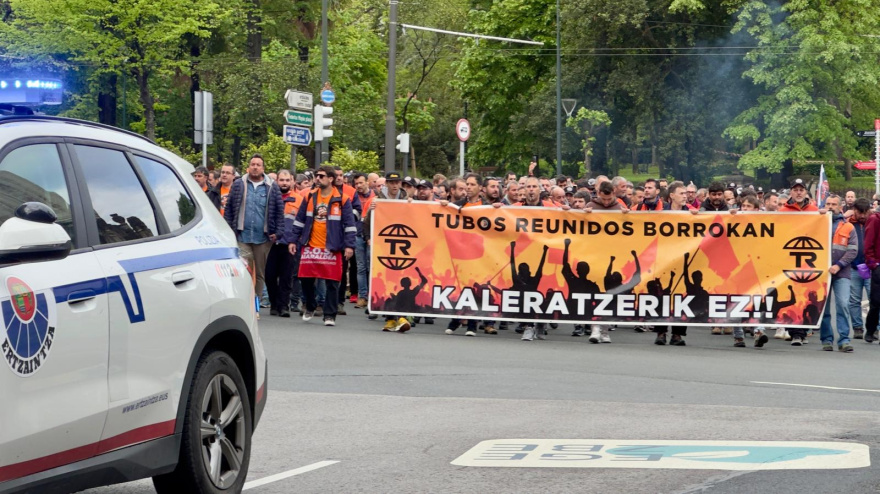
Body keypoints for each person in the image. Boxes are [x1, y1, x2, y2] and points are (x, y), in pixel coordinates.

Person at [286, 165, 356, 326]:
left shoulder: (342, 199)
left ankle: (329, 315)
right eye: (317, 175)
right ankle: (310, 306)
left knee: (332, 281)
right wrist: (292, 240)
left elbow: (349, 224)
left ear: (330, 179)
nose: (317, 178)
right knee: (305, 279)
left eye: (321, 176)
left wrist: (349, 246)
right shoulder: (309, 196)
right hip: (310, 245)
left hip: (332, 247)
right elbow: (299, 219)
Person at [224, 154, 285, 314]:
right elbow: (230, 208)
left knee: (259, 273)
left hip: (263, 237)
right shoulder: (239, 184)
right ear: (248, 167)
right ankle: (242, 304)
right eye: (253, 164)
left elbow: (279, 211)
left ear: (263, 168)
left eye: (258, 164)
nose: (255, 167)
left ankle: (254, 306)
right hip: (242, 236)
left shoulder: (272, 186)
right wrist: (230, 230)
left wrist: (277, 232)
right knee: (244, 271)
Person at [778, 178, 822, 346]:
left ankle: (802, 330)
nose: (798, 192)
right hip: (789, 258)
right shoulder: (783, 211)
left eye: (801, 190)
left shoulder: (815, 210)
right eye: (795, 189)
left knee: (807, 295)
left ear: (805, 192)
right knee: (792, 295)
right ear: (791, 192)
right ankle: (795, 332)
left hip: (809, 260)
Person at [819, 195, 856, 352]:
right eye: (828, 204)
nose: (830, 206)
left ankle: (844, 339)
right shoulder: (817, 224)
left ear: (840, 207)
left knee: (843, 304)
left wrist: (838, 265)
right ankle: (826, 340)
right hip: (822, 273)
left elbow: (853, 250)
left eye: (833, 204)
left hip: (841, 272)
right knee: (824, 309)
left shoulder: (848, 227)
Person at [265, 170, 302, 318]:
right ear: (276, 181)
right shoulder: (270, 198)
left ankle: (284, 306)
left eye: (287, 180)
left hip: (289, 243)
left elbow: (301, 222)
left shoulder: (299, 200)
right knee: (270, 276)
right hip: (270, 243)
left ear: (292, 182)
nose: (284, 183)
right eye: (281, 180)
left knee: (287, 277)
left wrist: (296, 240)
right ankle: (274, 304)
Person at [848, 198, 872, 340]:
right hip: (853, 267)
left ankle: (874, 327)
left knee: (875, 299)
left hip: (871, 267)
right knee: (854, 300)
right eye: (859, 212)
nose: (862, 215)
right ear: (854, 211)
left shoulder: (874, 221)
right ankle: (857, 327)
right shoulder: (848, 223)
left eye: (865, 212)